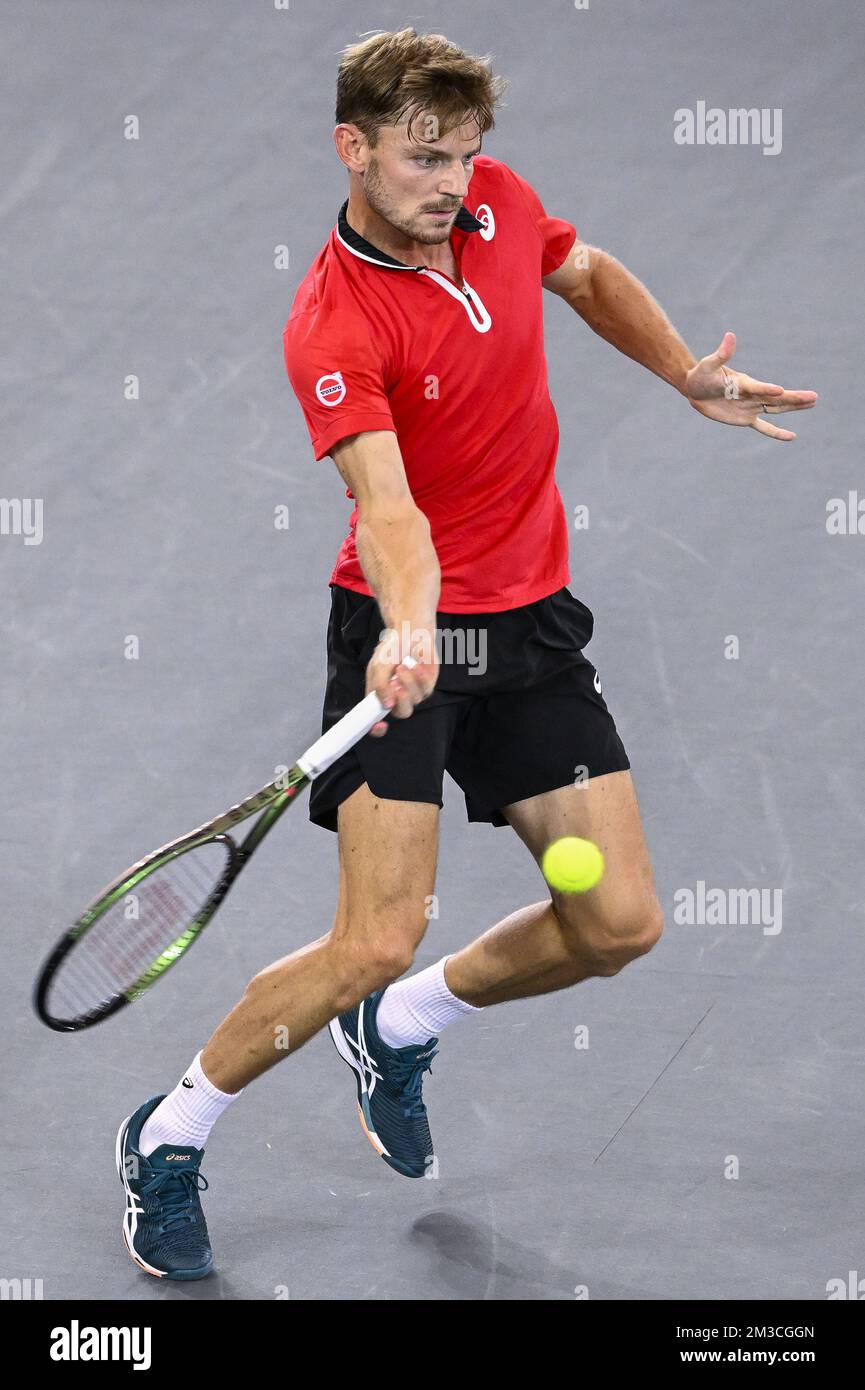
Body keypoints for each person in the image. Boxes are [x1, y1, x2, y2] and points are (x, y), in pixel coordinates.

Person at [116, 27, 817, 1280]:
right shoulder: (333, 326)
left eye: (467, 154)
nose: (453, 183)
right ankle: (169, 1136)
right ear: (355, 148)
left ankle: (406, 1024)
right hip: (403, 637)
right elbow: (388, 511)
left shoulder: (497, 207)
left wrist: (679, 375)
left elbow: (584, 269)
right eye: (424, 156)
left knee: (616, 920)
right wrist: (405, 625)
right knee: (369, 934)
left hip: (533, 633)